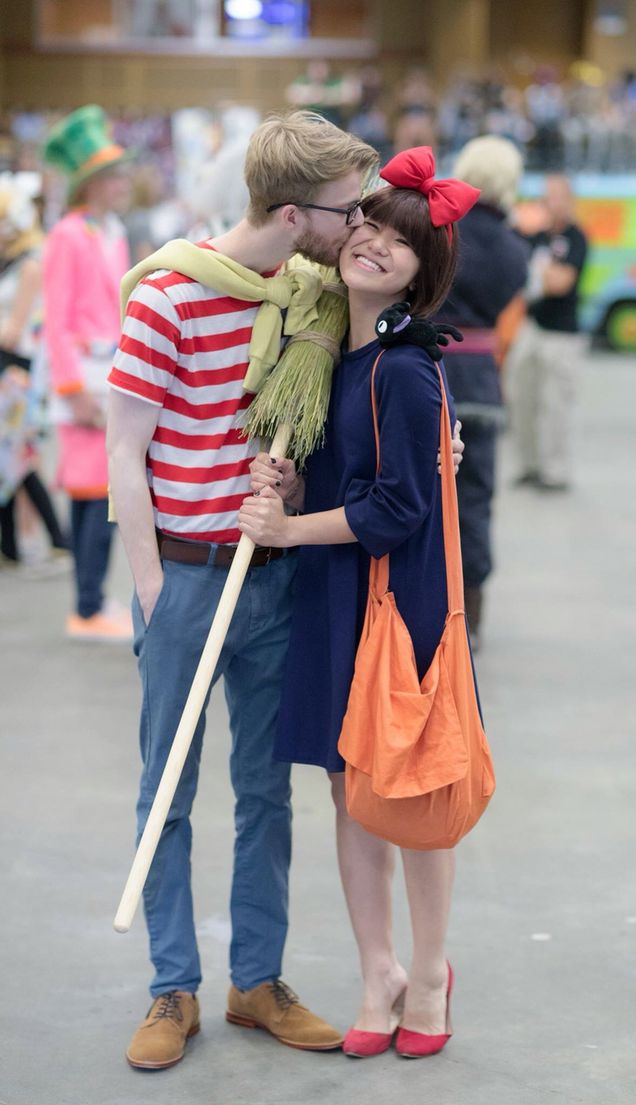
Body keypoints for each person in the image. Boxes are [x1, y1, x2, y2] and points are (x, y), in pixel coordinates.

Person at [106, 110, 378, 1071]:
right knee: (167, 787)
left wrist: (293, 485)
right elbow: (124, 455)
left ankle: (255, 979)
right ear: (296, 211)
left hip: (274, 583)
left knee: (266, 793)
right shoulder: (169, 298)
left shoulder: (310, 305)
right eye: (348, 209)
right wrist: (150, 591)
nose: (360, 223)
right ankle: (170, 986)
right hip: (183, 580)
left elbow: (313, 434)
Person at [238, 146, 482, 1060]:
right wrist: (289, 484)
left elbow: (399, 508)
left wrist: (288, 531)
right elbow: (352, 473)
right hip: (334, 592)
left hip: (396, 596)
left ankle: (428, 970)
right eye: (369, 225)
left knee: (409, 785)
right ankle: (375, 966)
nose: (375, 243)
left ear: (426, 270)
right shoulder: (329, 349)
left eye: (401, 240)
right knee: (349, 789)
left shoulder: (406, 365)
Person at [42, 105, 133, 639]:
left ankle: (90, 601)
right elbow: (55, 317)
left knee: (101, 492)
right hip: (82, 377)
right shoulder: (69, 234)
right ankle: (87, 606)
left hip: (111, 373)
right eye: (114, 174)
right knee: (95, 494)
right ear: (93, 183)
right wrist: (71, 386)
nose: (124, 182)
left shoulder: (111, 230)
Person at [435, 136, 529, 646]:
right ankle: (471, 616)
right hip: (483, 382)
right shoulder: (515, 248)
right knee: (475, 500)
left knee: (422, 492)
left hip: (429, 371)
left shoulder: (442, 232)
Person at [0, 171, 69, 569]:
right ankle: (10, 546)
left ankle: (58, 539)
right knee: (9, 461)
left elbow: (14, 331)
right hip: (7, 372)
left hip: (17, 373)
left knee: (20, 462)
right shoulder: (11, 262)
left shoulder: (29, 265)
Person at [506, 174, 588, 492]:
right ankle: (529, 465)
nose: (547, 202)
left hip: (561, 335)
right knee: (520, 395)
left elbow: (561, 284)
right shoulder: (536, 237)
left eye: (555, 196)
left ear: (569, 201)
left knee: (555, 404)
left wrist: (537, 274)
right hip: (532, 327)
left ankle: (556, 472)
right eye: (545, 196)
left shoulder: (576, 238)